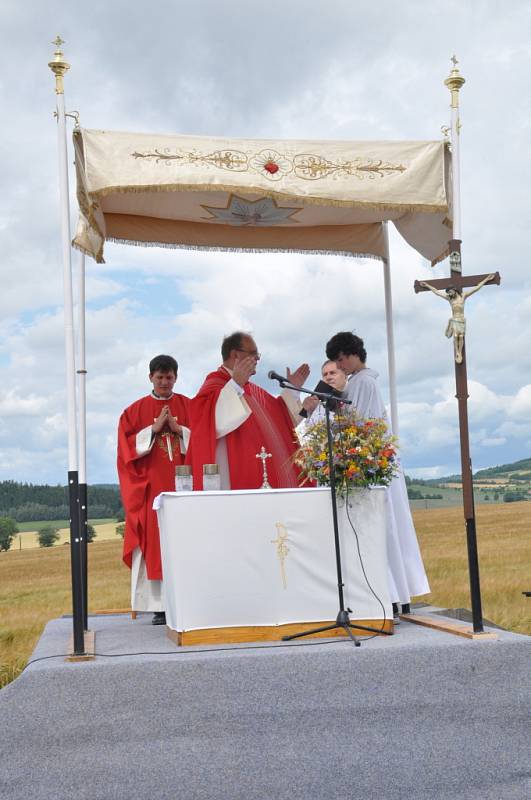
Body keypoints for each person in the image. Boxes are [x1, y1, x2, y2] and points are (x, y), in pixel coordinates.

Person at [325, 331, 430, 621]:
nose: (338, 366)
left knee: (383, 531)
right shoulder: (359, 382)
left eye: (338, 360)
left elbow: (359, 425)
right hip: (371, 464)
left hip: (371, 467)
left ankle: (391, 594)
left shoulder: (364, 382)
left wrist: (336, 416)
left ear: (348, 356)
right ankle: (393, 593)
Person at [118, 355, 190, 625]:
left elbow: (205, 437)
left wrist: (179, 429)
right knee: (157, 544)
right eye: (159, 377)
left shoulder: (188, 405)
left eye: (169, 377)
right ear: (150, 377)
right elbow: (125, 449)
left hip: (185, 485)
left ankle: (186, 598)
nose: (164, 382)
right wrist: (153, 429)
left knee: (185, 541)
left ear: (176, 377)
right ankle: (161, 606)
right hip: (152, 488)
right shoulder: (134, 411)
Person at [186, 331, 309, 490]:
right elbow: (208, 423)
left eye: (258, 354)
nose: (257, 358)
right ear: (235, 355)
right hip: (232, 474)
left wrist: (292, 390)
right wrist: (235, 385)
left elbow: (281, 418)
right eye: (253, 354)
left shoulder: (254, 391)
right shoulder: (215, 384)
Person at [419, 274, 495, 363]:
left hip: (461, 320)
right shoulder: (450, 299)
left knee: (461, 336)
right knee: (455, 336)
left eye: (450, 292)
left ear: (454, 290)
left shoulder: (463, 296)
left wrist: (486, 279)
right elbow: (437, 292)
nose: (449, 294)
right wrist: (427, 285)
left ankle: (460, 352)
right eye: (448, 293)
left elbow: (476, 288)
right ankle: (458, 352)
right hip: (455, 319)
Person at [299, 359, 348, 425]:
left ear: (345, 376)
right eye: (325, 375)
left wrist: (317, 410)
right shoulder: (321, 402)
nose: (328, 377)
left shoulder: (356, 393)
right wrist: (311, 411)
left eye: (332, 373)